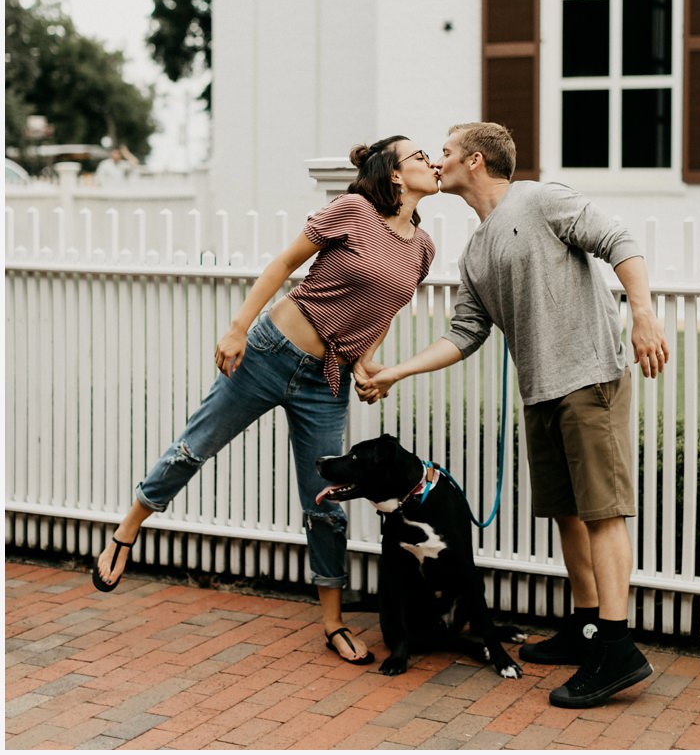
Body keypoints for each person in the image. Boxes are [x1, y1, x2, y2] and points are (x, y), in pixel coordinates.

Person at [358, 117, 670, 710]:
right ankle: (585, 628)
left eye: (446, 152)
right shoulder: (476, 251)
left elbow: (620, 241)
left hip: (589, 378)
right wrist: (395, 371)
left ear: (475, 161)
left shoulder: (540, 199)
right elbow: (464, 333)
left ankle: (617, 647)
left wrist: (645, 316)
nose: (438, 159)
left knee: (602, 513)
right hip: (541, 391)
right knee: (567, 514)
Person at [90, 139, 440, 668]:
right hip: (270, 352)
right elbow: (283, 264)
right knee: (194, 448)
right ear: (393, 174)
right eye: (418, 156)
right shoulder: (353, 210)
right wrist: (237, 328)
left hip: (327, 381)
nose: (431, 162)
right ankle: (131, 524)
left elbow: (380, 311)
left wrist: (368, 365)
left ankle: (332, 621)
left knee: (325, 502)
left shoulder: (423, 248)